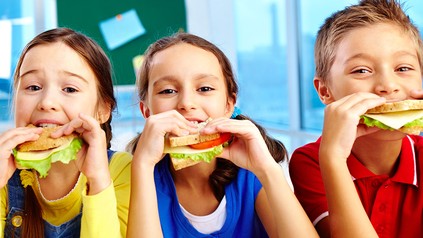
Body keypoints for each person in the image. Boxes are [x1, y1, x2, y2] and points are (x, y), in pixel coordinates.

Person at [126, 32, 318, 237]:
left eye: (205, 88)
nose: (186, 103)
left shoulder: (251, 175)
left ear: (228, 105)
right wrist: (143, 166)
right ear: (146, 111)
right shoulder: (135, 178)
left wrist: (268, 170)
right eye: (168, 91)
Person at [289, 0, 423, 237]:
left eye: (403, 68)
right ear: (324, 92)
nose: (388, 86)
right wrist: (334, 158)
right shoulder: (312, 162)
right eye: (361, 70)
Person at [0, 27, 132, 237]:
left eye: (69, 89)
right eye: (33, 87)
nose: (47, 102)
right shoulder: (5, 177)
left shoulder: (121, 170)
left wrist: (98, 180)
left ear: (102, 110)